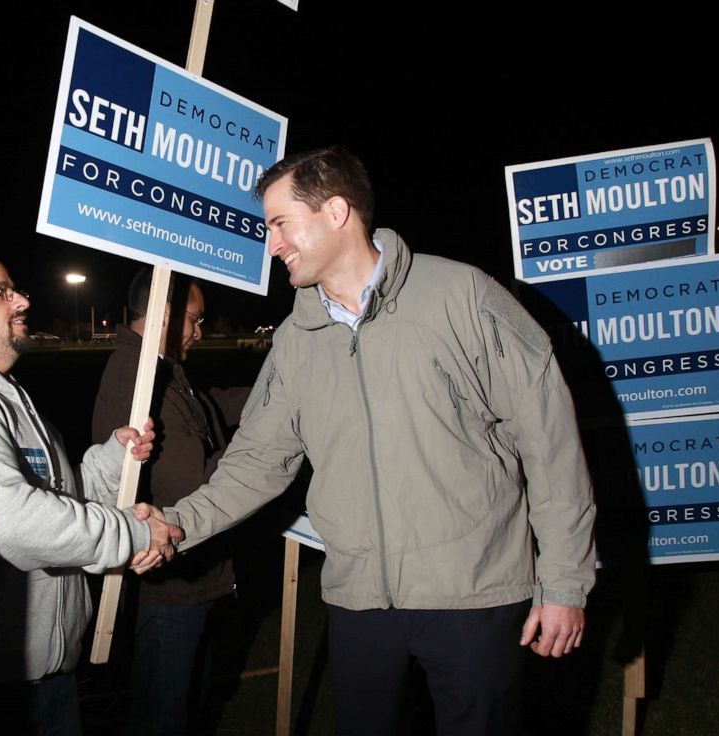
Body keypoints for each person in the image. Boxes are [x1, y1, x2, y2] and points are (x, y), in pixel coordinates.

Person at [152, 147, 596, 736]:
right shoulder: (295, 340)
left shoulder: (463, 296)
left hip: (475, 595)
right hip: (360, 604)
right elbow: (255, 462)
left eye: (280, 223)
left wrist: (563, 582)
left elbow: (550, 444)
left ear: (337, 211)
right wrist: (174, 525)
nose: (272, 243)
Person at [0, 249, 182, 735]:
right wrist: (132, 533)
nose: (23, 300)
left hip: (43, 675)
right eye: (1, 292)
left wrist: (111, 459)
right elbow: (14, 521)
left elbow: (56, 497)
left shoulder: (2, 395)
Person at [93, 270, 246, 735]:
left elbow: (210, 407)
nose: (200, 331)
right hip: (170, 586)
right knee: (164, 716)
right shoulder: (134, 379)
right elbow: (191, 486)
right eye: (194, 320)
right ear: (164, 314)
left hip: (188, 580)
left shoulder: (158, 369)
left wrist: (271, 399)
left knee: (186, 708)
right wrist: (259, 451)